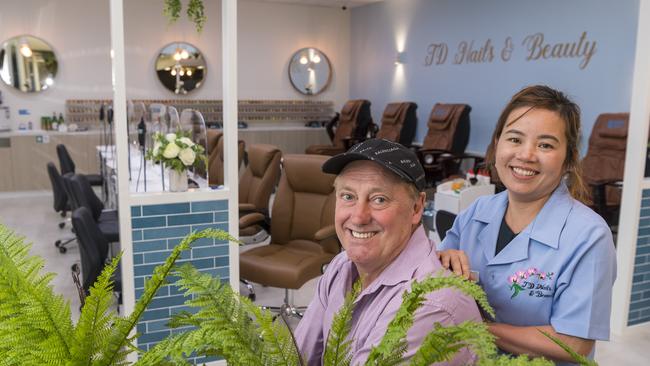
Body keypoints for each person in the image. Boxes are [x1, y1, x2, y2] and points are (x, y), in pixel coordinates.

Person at [437, 85, 617, 365]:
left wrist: (475, 329)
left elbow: (574, 342)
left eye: (545, 145)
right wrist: (438, 261)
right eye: (515, 139)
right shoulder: (476, 213)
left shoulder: (589, 236)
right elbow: (431, 282)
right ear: (497, 144)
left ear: (569, 159)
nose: (526, 155)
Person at [295, 138, 481, 365]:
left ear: (416, 208)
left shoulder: (430, 302)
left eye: (379, 199)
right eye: (348, 196)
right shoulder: (341, 266)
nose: (358, 217)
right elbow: (296, 356)